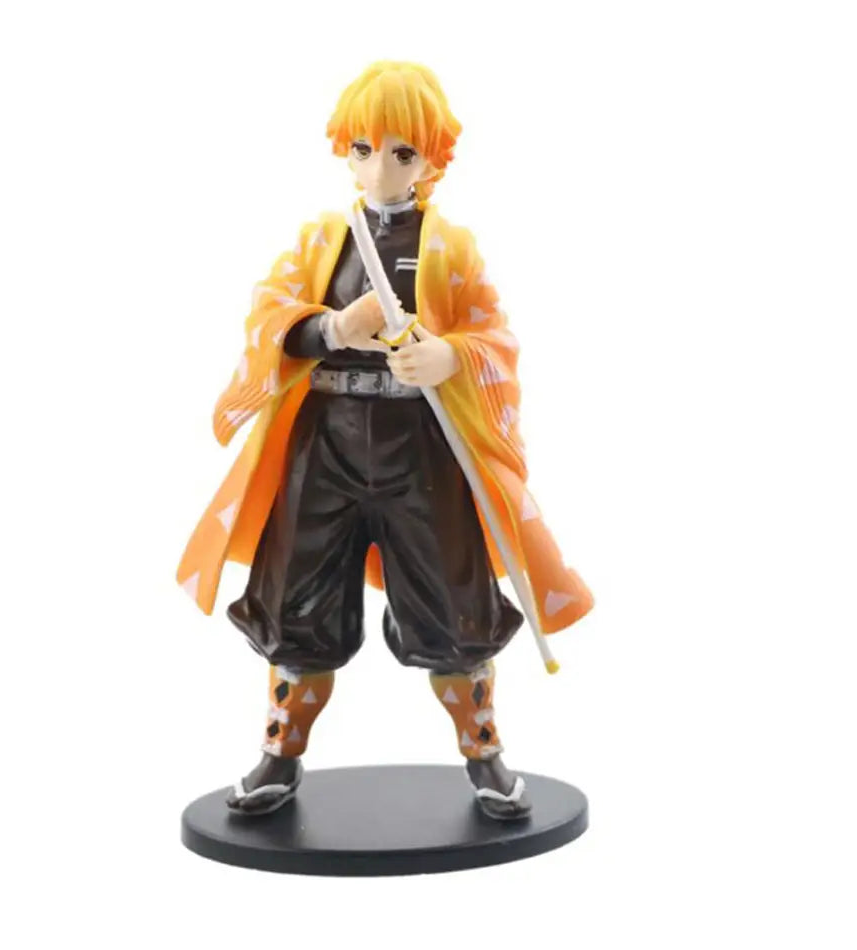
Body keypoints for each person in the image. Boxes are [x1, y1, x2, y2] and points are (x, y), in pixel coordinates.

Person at [177, 61, 593, 820]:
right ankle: (280, 752)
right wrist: (333, 327)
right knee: (296, 601)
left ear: (431, 159)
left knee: (457, 606)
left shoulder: (450, 247)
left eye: (402, 153)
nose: (380, 169)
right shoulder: (319, 240)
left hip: (421, 448)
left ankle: (483, 751)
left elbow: (494, 337)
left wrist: (451, 357)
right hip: (324, 446)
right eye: (363, 149)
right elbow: (270, 316)